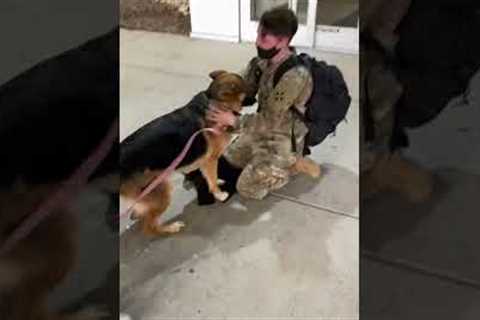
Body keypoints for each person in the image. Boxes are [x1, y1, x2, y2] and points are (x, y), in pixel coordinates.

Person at [197, 7, 316, 201]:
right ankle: (263, 162)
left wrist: (234, 122)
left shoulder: (295, 75)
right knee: (224, 163)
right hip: (259, 131)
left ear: (283, 41)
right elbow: (243, 91)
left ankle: (292, 166)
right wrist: (222, 98)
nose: (257, 41)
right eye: (258, 34)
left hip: (282, 138)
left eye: (264, 37)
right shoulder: (261, 62)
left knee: (247, 188)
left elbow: (270, 119)